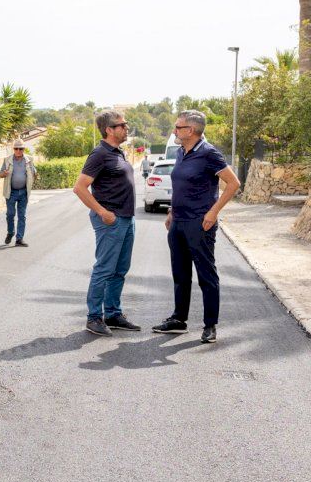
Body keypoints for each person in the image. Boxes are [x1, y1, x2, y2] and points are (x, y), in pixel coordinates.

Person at [151, 110, 241, 343]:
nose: (174, 131)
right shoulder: (182, 152)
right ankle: (179, 320)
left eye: (178, 127)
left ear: (190, 130)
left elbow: (233, 184)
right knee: (180, 274)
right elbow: (181, 186)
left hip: (200, 223)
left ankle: (210, 325)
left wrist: (213, 212)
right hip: (178, 222)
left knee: (206, 275)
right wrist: (171, 210)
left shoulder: (209, 153)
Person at [72, 111, 140, 336]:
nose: (126, 128)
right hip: (110, 221)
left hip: (126, 219)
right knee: (104, 269)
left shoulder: (118, 153)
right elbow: (80, 187)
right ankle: (93, 317)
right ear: (109, 130)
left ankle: (113, 314)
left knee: (120, 270)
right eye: (122, 125)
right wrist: (102, 211)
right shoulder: (100, 153)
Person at [0, 140, 38, 246]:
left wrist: (35, 173)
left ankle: (19, 239)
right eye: (16, 148)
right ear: (13, 149)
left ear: (23, 149)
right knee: (10, 214)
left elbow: (34, 171)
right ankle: (10, 232)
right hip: (11, 192)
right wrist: (4, 173)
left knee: (22, 216)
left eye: (20, 149)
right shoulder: (7, 160)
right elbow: (0, 174)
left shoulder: (29, 159)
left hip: (24, 192)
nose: (18, 151)